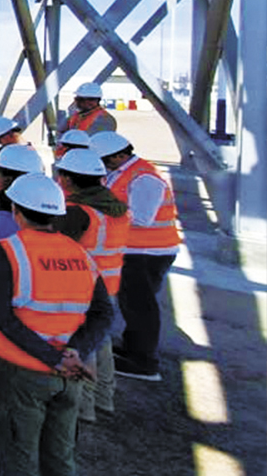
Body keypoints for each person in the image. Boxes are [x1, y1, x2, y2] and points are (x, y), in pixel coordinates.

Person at [0, 173, 113, 476]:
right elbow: (103, 313)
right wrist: (74, 352)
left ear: (16, 211)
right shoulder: (80, 254)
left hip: (21, 373)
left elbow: (1, 316)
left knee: (19, 455)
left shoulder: (9, 251)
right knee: (60, 456)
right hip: (70, 373)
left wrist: (53, 358)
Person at [91, 131, 181, 382]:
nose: (103, 165)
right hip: (133, 251)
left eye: (106, 160)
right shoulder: (122, 172)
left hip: (147, 253)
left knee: (141, 306)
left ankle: (144, 362)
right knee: (131, 303)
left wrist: (103, 210)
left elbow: (142, 217)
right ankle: (133, 348)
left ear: (120, 155)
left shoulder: (144, 178)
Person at [52, 148, 131, 421]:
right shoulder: (115, 206)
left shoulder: (78, 212)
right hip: (108, 284)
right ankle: (104, 398)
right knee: (102, 339)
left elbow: (56, 247)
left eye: (61, 174)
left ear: (69, 180)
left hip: (82, 288)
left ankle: (82, 407)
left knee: (82, 345)